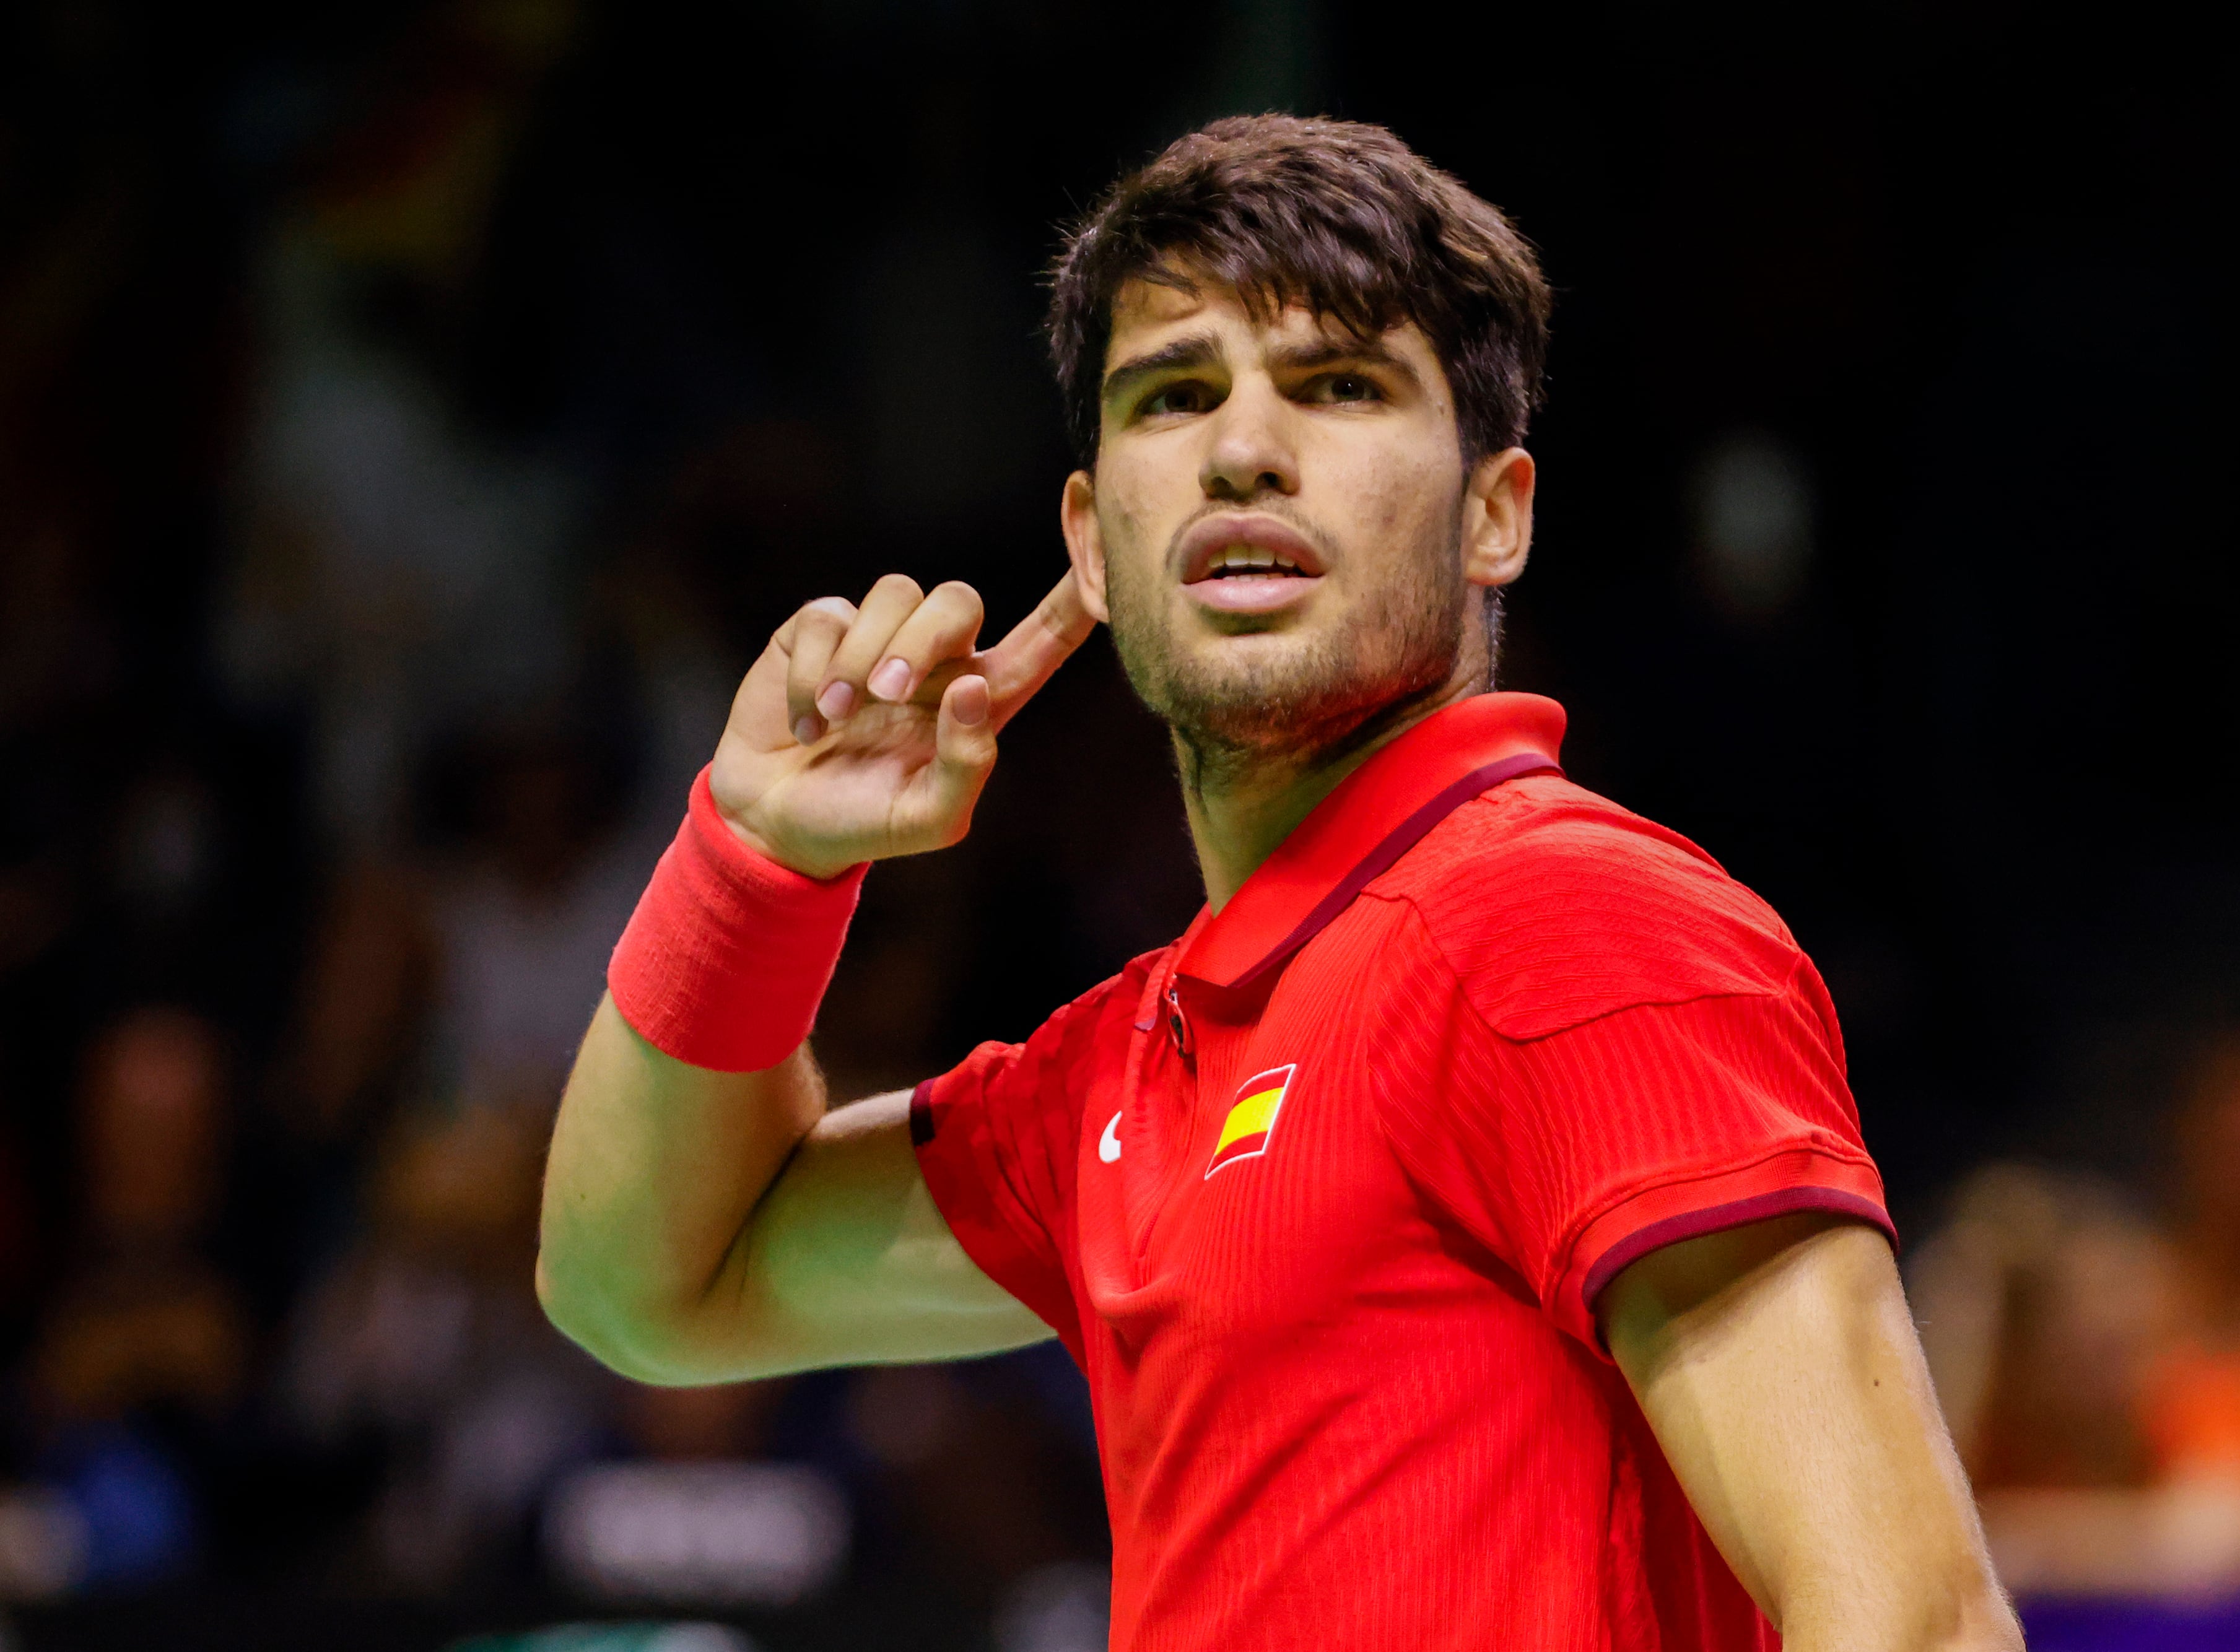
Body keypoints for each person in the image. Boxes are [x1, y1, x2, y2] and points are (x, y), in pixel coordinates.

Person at [539, 116, 2016, 1651]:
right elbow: (645, 1284)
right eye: (1173, 395)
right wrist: (758, 861)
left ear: (1494, 513)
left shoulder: (1569, 927)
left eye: (1339, 386)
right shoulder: (1118, 1069)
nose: (1242, 444)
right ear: (1093, 540)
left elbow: (1912, 1618)